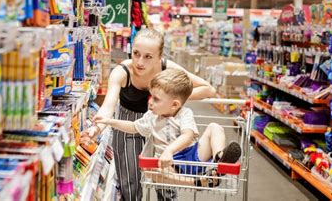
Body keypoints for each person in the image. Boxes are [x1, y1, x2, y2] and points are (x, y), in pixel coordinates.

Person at [81, 29, 216, 201]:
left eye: (148, 56)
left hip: (162, 122)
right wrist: (97, 128)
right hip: (128, 124)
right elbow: (108, 106)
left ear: (159, 57)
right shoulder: (122, 72)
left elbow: (208, 89)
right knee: (130, 180)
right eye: (136, 53)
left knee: (165, 180)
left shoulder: (167, 68)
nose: (139, 61)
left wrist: (171, 98)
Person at [93, 69, 241, 200]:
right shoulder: (151, 117)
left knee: (215, 127)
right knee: (151, 171)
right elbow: (133, 127)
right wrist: (110, 121)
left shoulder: (184, 114)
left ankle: (220, 158)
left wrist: (169, 150)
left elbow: (187, 136)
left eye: (156, 99)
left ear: (174, 104)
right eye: (151, 97)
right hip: (172, 165)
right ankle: (200, 181)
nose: (150, 102)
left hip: (193, 154)